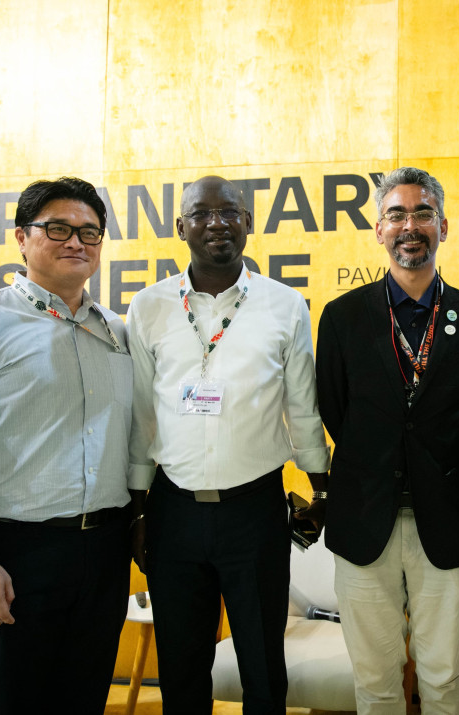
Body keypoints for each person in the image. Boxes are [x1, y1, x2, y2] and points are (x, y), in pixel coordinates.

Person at [126, 175, 330, 714]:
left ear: (248, 222)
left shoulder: (284, 305)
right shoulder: (148, 308)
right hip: (174, 513)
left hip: (255, 513)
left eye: (230, 212)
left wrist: (321, 489)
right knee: (181, 666)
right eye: (202, 213)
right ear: (180, 227)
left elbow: (303, 406)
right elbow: (142, 417)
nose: (217, 223)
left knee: (263, 666)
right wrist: (140, 511)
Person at [0, 177, 133, 714]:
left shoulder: (117, 331)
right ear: (22, 237)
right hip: (12, 556)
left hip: (102, 554)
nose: (76, 242)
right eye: (58, 228)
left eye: (90, 232)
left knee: (84, 702)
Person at [316, 166, 459, 714]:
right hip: (363, 522)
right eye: (397, 214)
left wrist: (434, 459)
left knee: (445, 680)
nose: (410, 225)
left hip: (445, 522)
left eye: (423, 213)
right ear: (379, 229)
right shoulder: (343, 318)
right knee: (375, 683)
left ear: (443, 226)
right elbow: (335, 408)